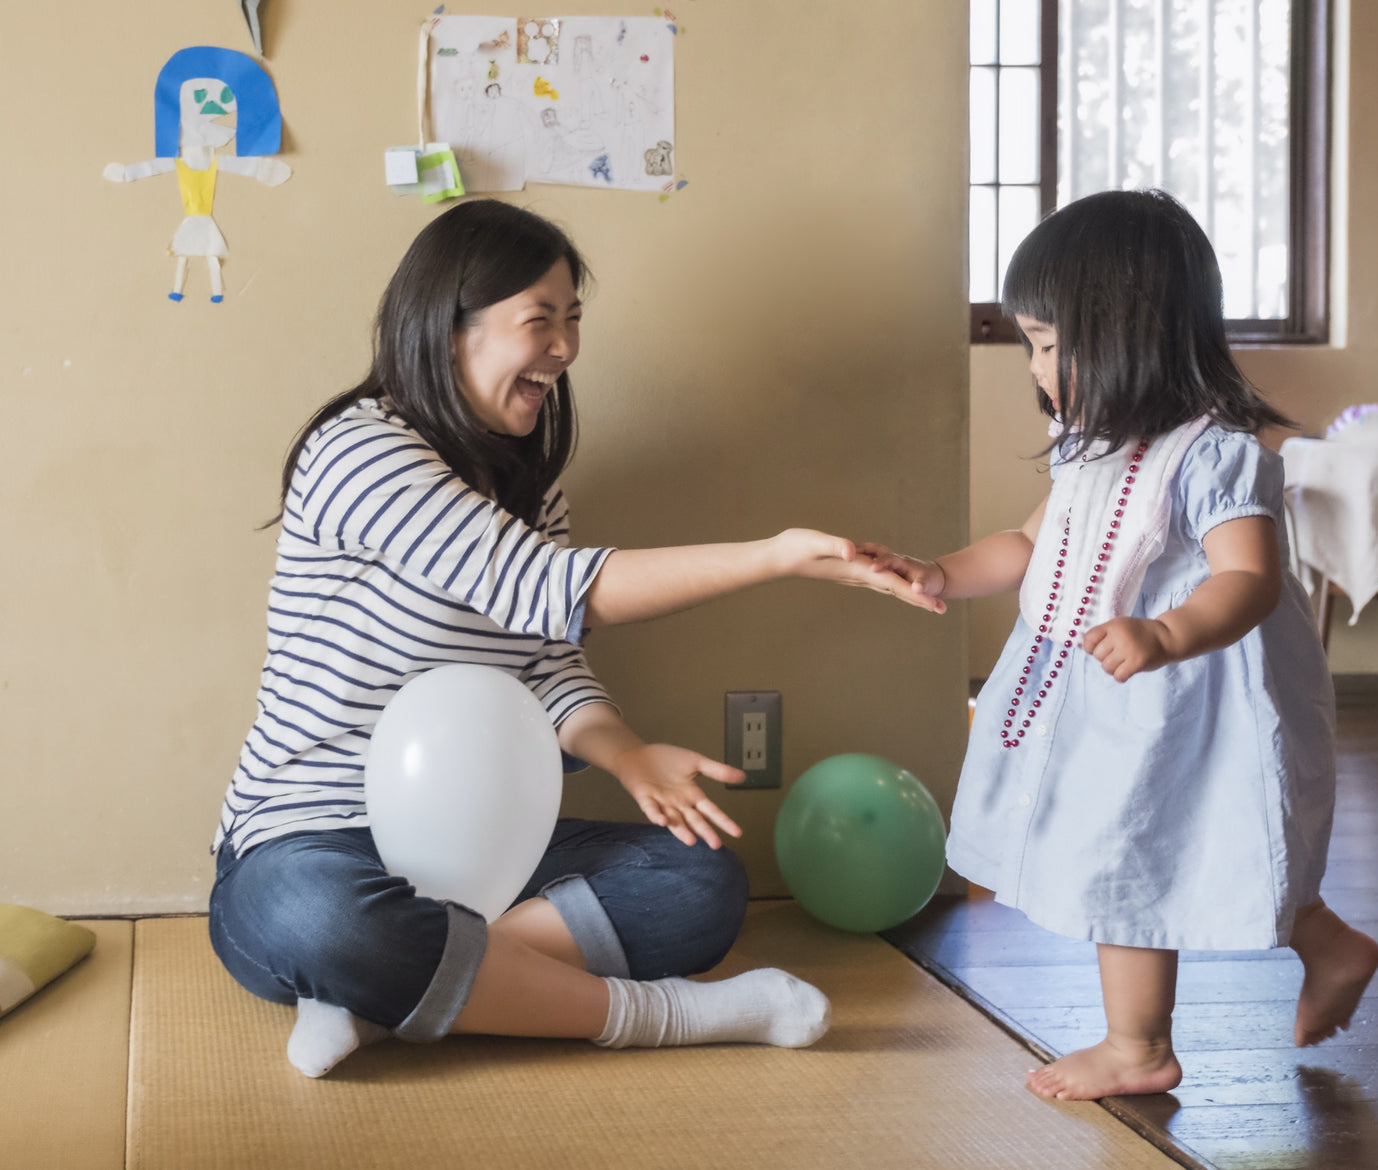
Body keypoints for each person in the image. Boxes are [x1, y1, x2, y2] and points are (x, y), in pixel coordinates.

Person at [209, 198, 938, 1079]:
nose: (566, 348)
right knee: (323, 921)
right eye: (539, 322)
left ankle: (384, 993)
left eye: (574, 320)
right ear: (448, 331)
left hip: (483, 844)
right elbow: (551, 589)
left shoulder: (526, 481)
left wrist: (628, 757)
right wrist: (774, 555)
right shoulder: (358, 452)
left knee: (698, 880)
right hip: (311, 836)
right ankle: (665, 1016)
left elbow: (545, 661)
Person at [861, 189, 1378, 1102]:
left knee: (1136, 848)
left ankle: (1138, 1048)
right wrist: (939, 571)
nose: (1037, 367)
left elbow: (1249, 577)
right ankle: (1330, 944)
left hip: (1187, 693)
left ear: (1132, 330)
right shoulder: (1084, 444)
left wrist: (1166, 631)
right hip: (1101, 685)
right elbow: (1031, 546)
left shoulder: (1215, 453)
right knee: (1171, 841)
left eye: (1051, 343)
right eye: (1031, 343)